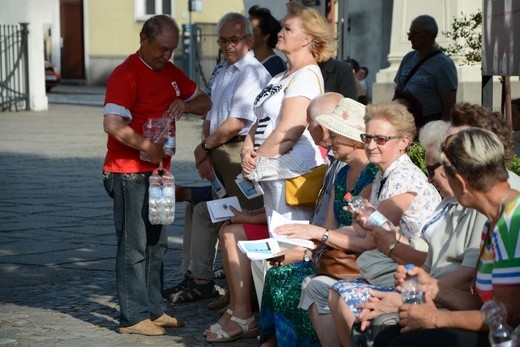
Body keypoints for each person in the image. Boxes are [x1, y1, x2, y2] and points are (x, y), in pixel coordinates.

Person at [204, 2, 336, 343]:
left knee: (285, 240)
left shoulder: (307, 75)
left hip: (291, 172)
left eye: (289, 29)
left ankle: (278, 327)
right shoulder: (281, 75)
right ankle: (244, 313)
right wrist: (249, 147)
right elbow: (260, 119)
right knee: (250, 228)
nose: (281, 32)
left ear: (307, 39)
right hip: (269, 169)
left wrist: (257, 158)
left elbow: (291, 127)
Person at [291, 102, 440, 346]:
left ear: (403, 142)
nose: (371, 145)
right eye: (367, 137)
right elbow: (360, 229)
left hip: (412, 270)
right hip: (389, 263)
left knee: (335, 293)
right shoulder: (382, 174)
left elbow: (371, 240)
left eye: (380, 139)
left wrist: (319, 233)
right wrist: (313, 239)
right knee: (314, 287)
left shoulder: (403, 177)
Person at [326, 120, 486, 346]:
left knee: (379, 327)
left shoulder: (485, 207)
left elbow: (475, 288)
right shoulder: (450, 202)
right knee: (343, 302)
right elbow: (428, 265)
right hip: (435, 293)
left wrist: (408, 298)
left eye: (433, 170)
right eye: (367, 138)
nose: (429, 179)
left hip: (447, 302)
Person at [102, 15, 212, 336]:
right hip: (129, 173)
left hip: (159, 174)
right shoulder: (125, 74)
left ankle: (154, 308)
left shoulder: (171, 74)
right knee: (134, 244)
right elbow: (112, 123)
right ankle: (133, 316)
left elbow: (205, 101)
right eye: (162, 49)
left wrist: (185, 105)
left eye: (172, 51)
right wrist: (145, 145)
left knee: (157, 244)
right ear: (143, 40)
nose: (167, 56)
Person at [374, 128, 520, 347]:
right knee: (389, 337)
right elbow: (484, 305)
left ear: (460, 182)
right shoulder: (495, 219)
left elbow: (504, 317)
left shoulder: (511, 221)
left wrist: (435, 319)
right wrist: (433, 287)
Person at [164, 12, 271, 304]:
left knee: (227, 216)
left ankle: (233, 289)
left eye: (234, 39)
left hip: (239, 153)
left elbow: (237, 121)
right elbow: (210, 112)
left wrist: (205, 147)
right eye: (222, 40)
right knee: (202, 211)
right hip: (219, 151)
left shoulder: (253, 72)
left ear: (249, 40)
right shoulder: (224, 69)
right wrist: (205, 149)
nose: (227, 46)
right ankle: (198, 278)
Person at [260, 96, 379, 347]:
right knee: (278, 274)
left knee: (294, 284)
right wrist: (302, 252)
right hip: (332, 256)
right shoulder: (342, 171)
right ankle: (278, 340)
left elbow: (353, 235)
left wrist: (309, 242)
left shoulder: (371, 175)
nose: (329, 142)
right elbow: (328, 227)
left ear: (351, 138)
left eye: (334, 135)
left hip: (354, 261)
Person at [394, 15, 457, 128]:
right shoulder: (408, 58)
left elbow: (449, 107)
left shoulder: (444, 64)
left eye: (413, 34)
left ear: (427, 35)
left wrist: (439, 134)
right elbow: (398, 91)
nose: (409, 38)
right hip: (404, 125)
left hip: (427, 126)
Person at [248, 5, 286, 77]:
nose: (245, 34)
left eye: (251, 31)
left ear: (265, 36)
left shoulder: (276, 67)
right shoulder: (245, 60)